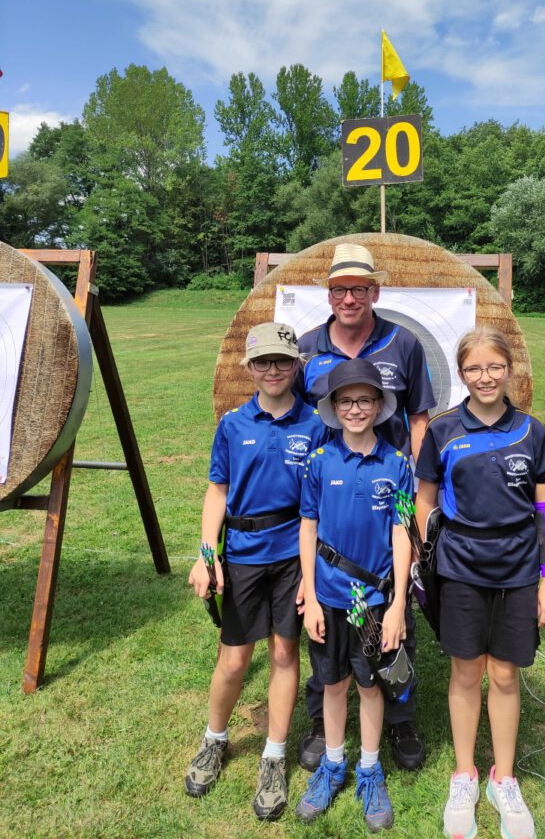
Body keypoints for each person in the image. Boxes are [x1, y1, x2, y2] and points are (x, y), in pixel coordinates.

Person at [415, 326, 545, 839]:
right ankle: (464, 776)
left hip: (520, 569)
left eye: (495, 367)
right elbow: (425, 500)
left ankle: (504, 779)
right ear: (461, 374)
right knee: (465, 672)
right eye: (474, 369)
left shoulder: (531, 430)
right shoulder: (442, 430)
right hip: (460, 568)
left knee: (503, 674)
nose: (485, 377)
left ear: (509, 370)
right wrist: (423, 559)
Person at [297, 242, 435, 771]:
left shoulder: (405, 344)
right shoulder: (308, 347)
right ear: (328, 294)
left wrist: (420, 501)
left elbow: (419, 420)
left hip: (388, 495)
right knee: (325, 622)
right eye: (339, 289)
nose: (349, 298)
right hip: (322, 495)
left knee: (391, 619)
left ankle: (400, 723)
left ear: (375, 291)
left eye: (359, 288)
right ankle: (320, 719)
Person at [185, 322, 327, 821]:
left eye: (282, 361)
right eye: (262, 362)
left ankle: (273, 756)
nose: (272, 370)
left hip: (292, 554)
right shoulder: (233, 424)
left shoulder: (316, 426)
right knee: (234, 659)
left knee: (286, 653)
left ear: (297, 366)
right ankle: (214, 739)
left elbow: (321, 502)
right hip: (243, 554)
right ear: (249, 368)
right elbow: (217, 492)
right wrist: (208, 554)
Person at [296, 359, 412, 831]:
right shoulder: (319, 462)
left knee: (369, 684)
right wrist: (309, 589)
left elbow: (403, 532)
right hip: (327, 595)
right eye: (346, 401)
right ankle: (333, 764)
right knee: (333, 683)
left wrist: (399, 603)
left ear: (380, 406)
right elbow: (308, 526)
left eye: (365, 400)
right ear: (333, 407)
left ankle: (369, 769)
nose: (356, 409)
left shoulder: (398, 465)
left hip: (375, 604)